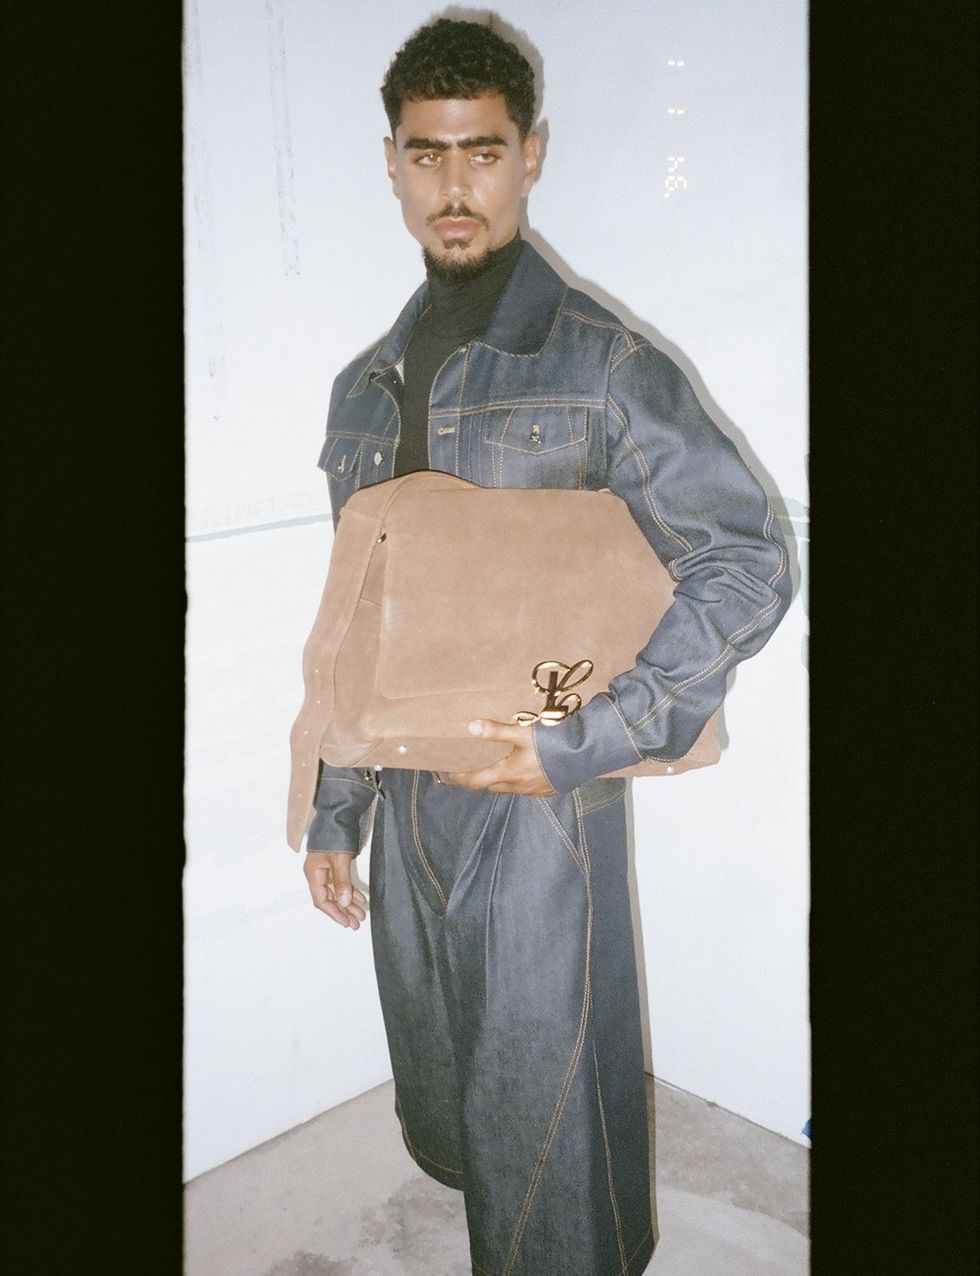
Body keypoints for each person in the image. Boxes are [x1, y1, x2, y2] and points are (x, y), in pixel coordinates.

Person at [298, 16, 791, 1274]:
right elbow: (357, 615)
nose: (452, 185)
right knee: (449, 1074)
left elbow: (745, 557)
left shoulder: (601, 364)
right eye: (426, 154)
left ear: (530, 155)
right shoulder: (363, 387)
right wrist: (335, 806)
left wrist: (589, 738)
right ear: (392, 163)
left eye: (481, 151)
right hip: (404, 785)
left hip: (538, 792)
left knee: (549, 1094)